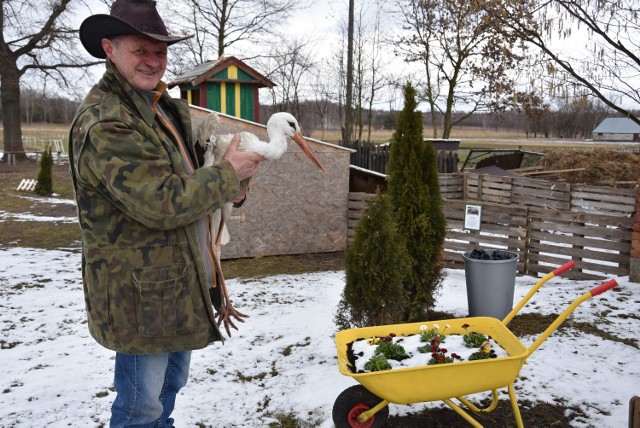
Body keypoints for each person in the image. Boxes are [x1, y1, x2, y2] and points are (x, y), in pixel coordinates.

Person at [68, 0, 264, 426]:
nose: (153, 61)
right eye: (141, 50)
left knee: (168, 391)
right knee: (141, 407)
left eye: (159, 52)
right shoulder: (108, 121)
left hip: (177, 278)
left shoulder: (159, 108)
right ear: (110, 48)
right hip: (140, 291)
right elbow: (161, 202)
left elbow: (194, 178)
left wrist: (233, 177)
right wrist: (228, 176)